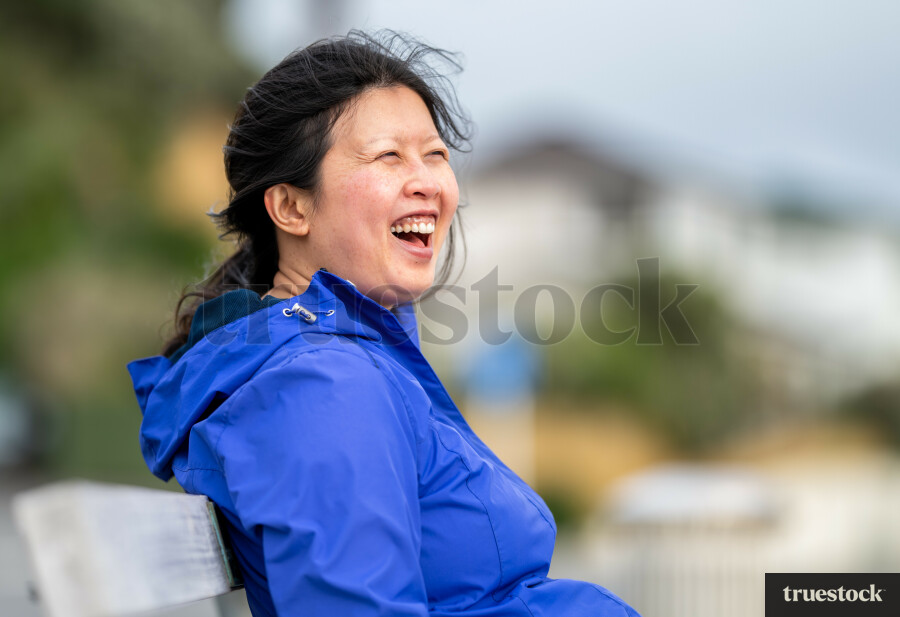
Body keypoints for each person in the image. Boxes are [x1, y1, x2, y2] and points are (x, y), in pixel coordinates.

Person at [129, 31, 640, 617]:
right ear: (292, 208)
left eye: (436, 155)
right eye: (388, 156)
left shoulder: (346, 360)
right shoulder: (321, 385)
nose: (427, 181)